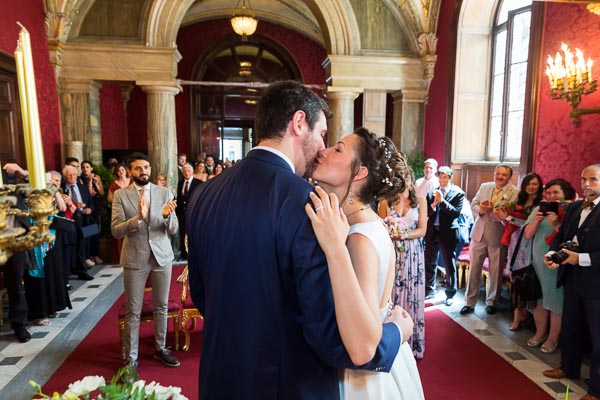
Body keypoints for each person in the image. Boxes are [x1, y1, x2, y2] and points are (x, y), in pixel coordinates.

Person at [186, 81, 403, 400]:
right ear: (299, 123)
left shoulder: (204, 194)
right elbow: (330, 337)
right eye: (322, 134)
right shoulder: (309, 204)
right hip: (288, 387)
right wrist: (394, 336)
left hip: (220, 379)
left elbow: (203, 296)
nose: (322, 148)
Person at [307, 127, 424, 399]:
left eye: (337, 149)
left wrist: (395, 329)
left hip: (363, 380)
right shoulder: (364, 224)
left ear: (359, 173)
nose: (322, 151)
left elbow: (363, 341)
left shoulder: (358, 239)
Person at [111, 152, 180, 370]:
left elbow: (175, 229)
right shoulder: (121, 195)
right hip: (135, 257)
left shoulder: (164, 192)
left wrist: (167, 216)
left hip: (162, 256)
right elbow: (116, 230)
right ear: (130, 171)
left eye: (147, 167)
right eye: (139, 168)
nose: (144, 172)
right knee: (134, 309)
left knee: (161, 305)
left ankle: (161, 348)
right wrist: (138, 218)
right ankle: (131, 358)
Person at [543, 165, 600, 400]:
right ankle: (568, 366)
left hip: (596, 282)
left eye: (593, 179)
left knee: (598, 336)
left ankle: (596, 389)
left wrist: (581, 259)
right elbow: (562, 237)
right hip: (572, 277)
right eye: (583, 179)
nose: (586, 184)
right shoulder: (576, 206)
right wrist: (553, 254)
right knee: (571, 324)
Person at [378, 165, 428, 358]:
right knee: (393, 293)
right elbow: (381, 227)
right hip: (393, 253)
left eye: (405, 178)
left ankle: (414, 344)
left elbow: (423, 230)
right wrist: (392, 233)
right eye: (398, 178)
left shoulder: (420, 201)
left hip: (414, 254)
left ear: (411, 180)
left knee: (413, 295)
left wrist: (403, 234)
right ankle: (392, 342)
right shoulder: (385, 202)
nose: (403, 182)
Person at [523, 178, 576, 352]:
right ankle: (540, 333)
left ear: (565, 194)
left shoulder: (571, 210)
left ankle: (553, 338)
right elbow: (528, 235)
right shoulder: (540, 208)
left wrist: (556, 224)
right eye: (549, 192)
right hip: (536, 261)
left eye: (556, 193)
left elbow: (573, 238)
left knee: (554, 301)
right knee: (538, 299)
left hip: (556, 263)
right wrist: (537, 220)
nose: (552, 196)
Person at [461, 164, 519, 315]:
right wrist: (479, 210)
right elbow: (473, 202)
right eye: (497, 173)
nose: (499, 177)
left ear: (509, 177)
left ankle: (492, 301)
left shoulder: (515, 192)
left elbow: (512, 215)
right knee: (474, 269)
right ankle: (469, 302)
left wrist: (497, 213)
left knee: (496, 270)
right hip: (478, 233)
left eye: (503, 175)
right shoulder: (485, 186)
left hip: (498, 234)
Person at [495, 172, 543, 331]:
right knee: (515, 276)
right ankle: (517, 313)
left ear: (539, 186)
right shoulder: (519, 201)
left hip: (528, 243)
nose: (531, 187)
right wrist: (504, 217)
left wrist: (509, 218)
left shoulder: (540, 204)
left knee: (525, 276)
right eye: (528, 183)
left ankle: (524, 313)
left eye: (534, 184)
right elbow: (511, 222)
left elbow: (528, 225)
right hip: (514, 241)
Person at [424, 165, 465, 307]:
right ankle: (429, 290)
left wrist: (442, 202)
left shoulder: (458, 193)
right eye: (440, 177)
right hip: (432, 231)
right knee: (430, 260)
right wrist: (434, 205)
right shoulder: (432, 192)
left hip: (448, 232)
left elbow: (455, 213)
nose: (442, 180)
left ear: (450, 178)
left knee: (449, 263)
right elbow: (427, 212)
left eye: (445, 177)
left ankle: (450, 293)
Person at [176, 163, 201, 260]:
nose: (186, 173)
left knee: (194, 235)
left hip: (194, 215)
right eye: (185, 171)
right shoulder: (180, 183)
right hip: (182, 216)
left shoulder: (198, 183)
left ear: (192, 171)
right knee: (182, 234)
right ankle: (184, 254)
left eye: (188, 171)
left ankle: (194, 254)